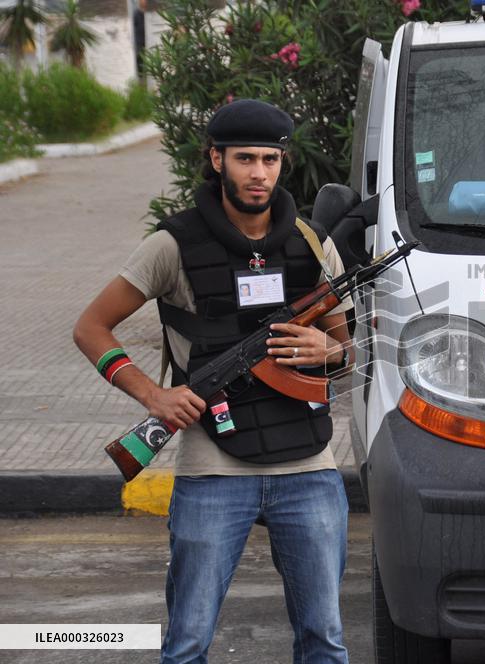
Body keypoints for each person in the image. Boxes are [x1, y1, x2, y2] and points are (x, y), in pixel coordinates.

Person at [74, 99, 353, 664]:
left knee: (324, 641)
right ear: (216, 159)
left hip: (308, 468)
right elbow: (91, 327)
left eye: (270, 159)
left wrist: (330, 350)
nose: (259, 173)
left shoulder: (311, 241)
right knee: (187, 644)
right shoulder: (173, 244)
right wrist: (153, 396)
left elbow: (344, 350)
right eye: (245, 158)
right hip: (212, 470)